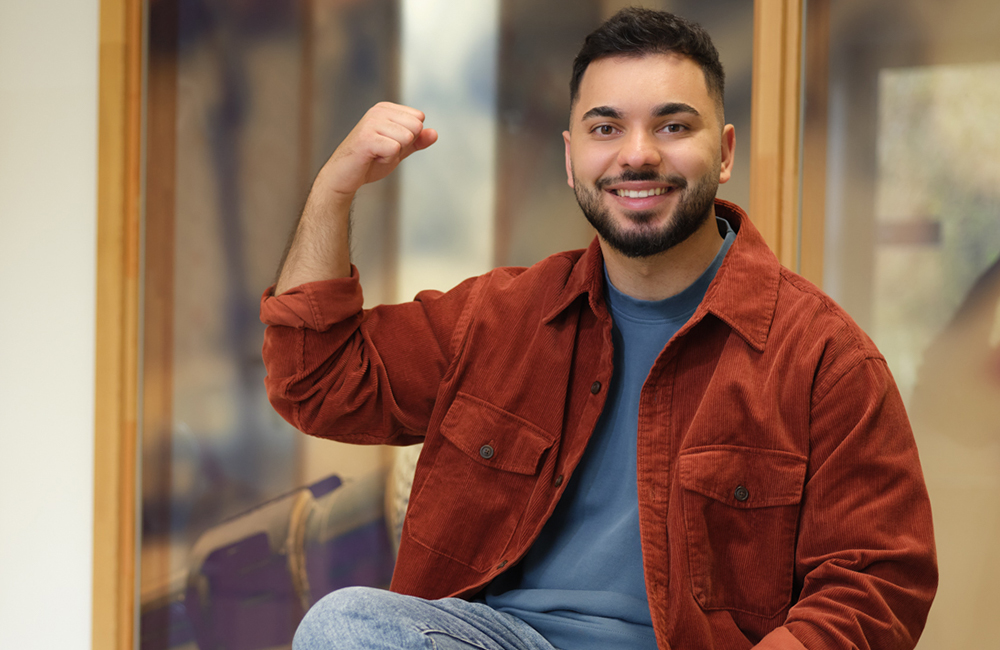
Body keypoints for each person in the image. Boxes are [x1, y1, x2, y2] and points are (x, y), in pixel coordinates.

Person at [260, 8, 937, 650]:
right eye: (606, 128)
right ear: (570, 155)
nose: (636, 156)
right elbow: (315, 379)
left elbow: (875, 581)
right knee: (348, 624)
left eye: (673, 127)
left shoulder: (825, 360)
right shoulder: (497, 319)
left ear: (725, 152)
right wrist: (334, 191)